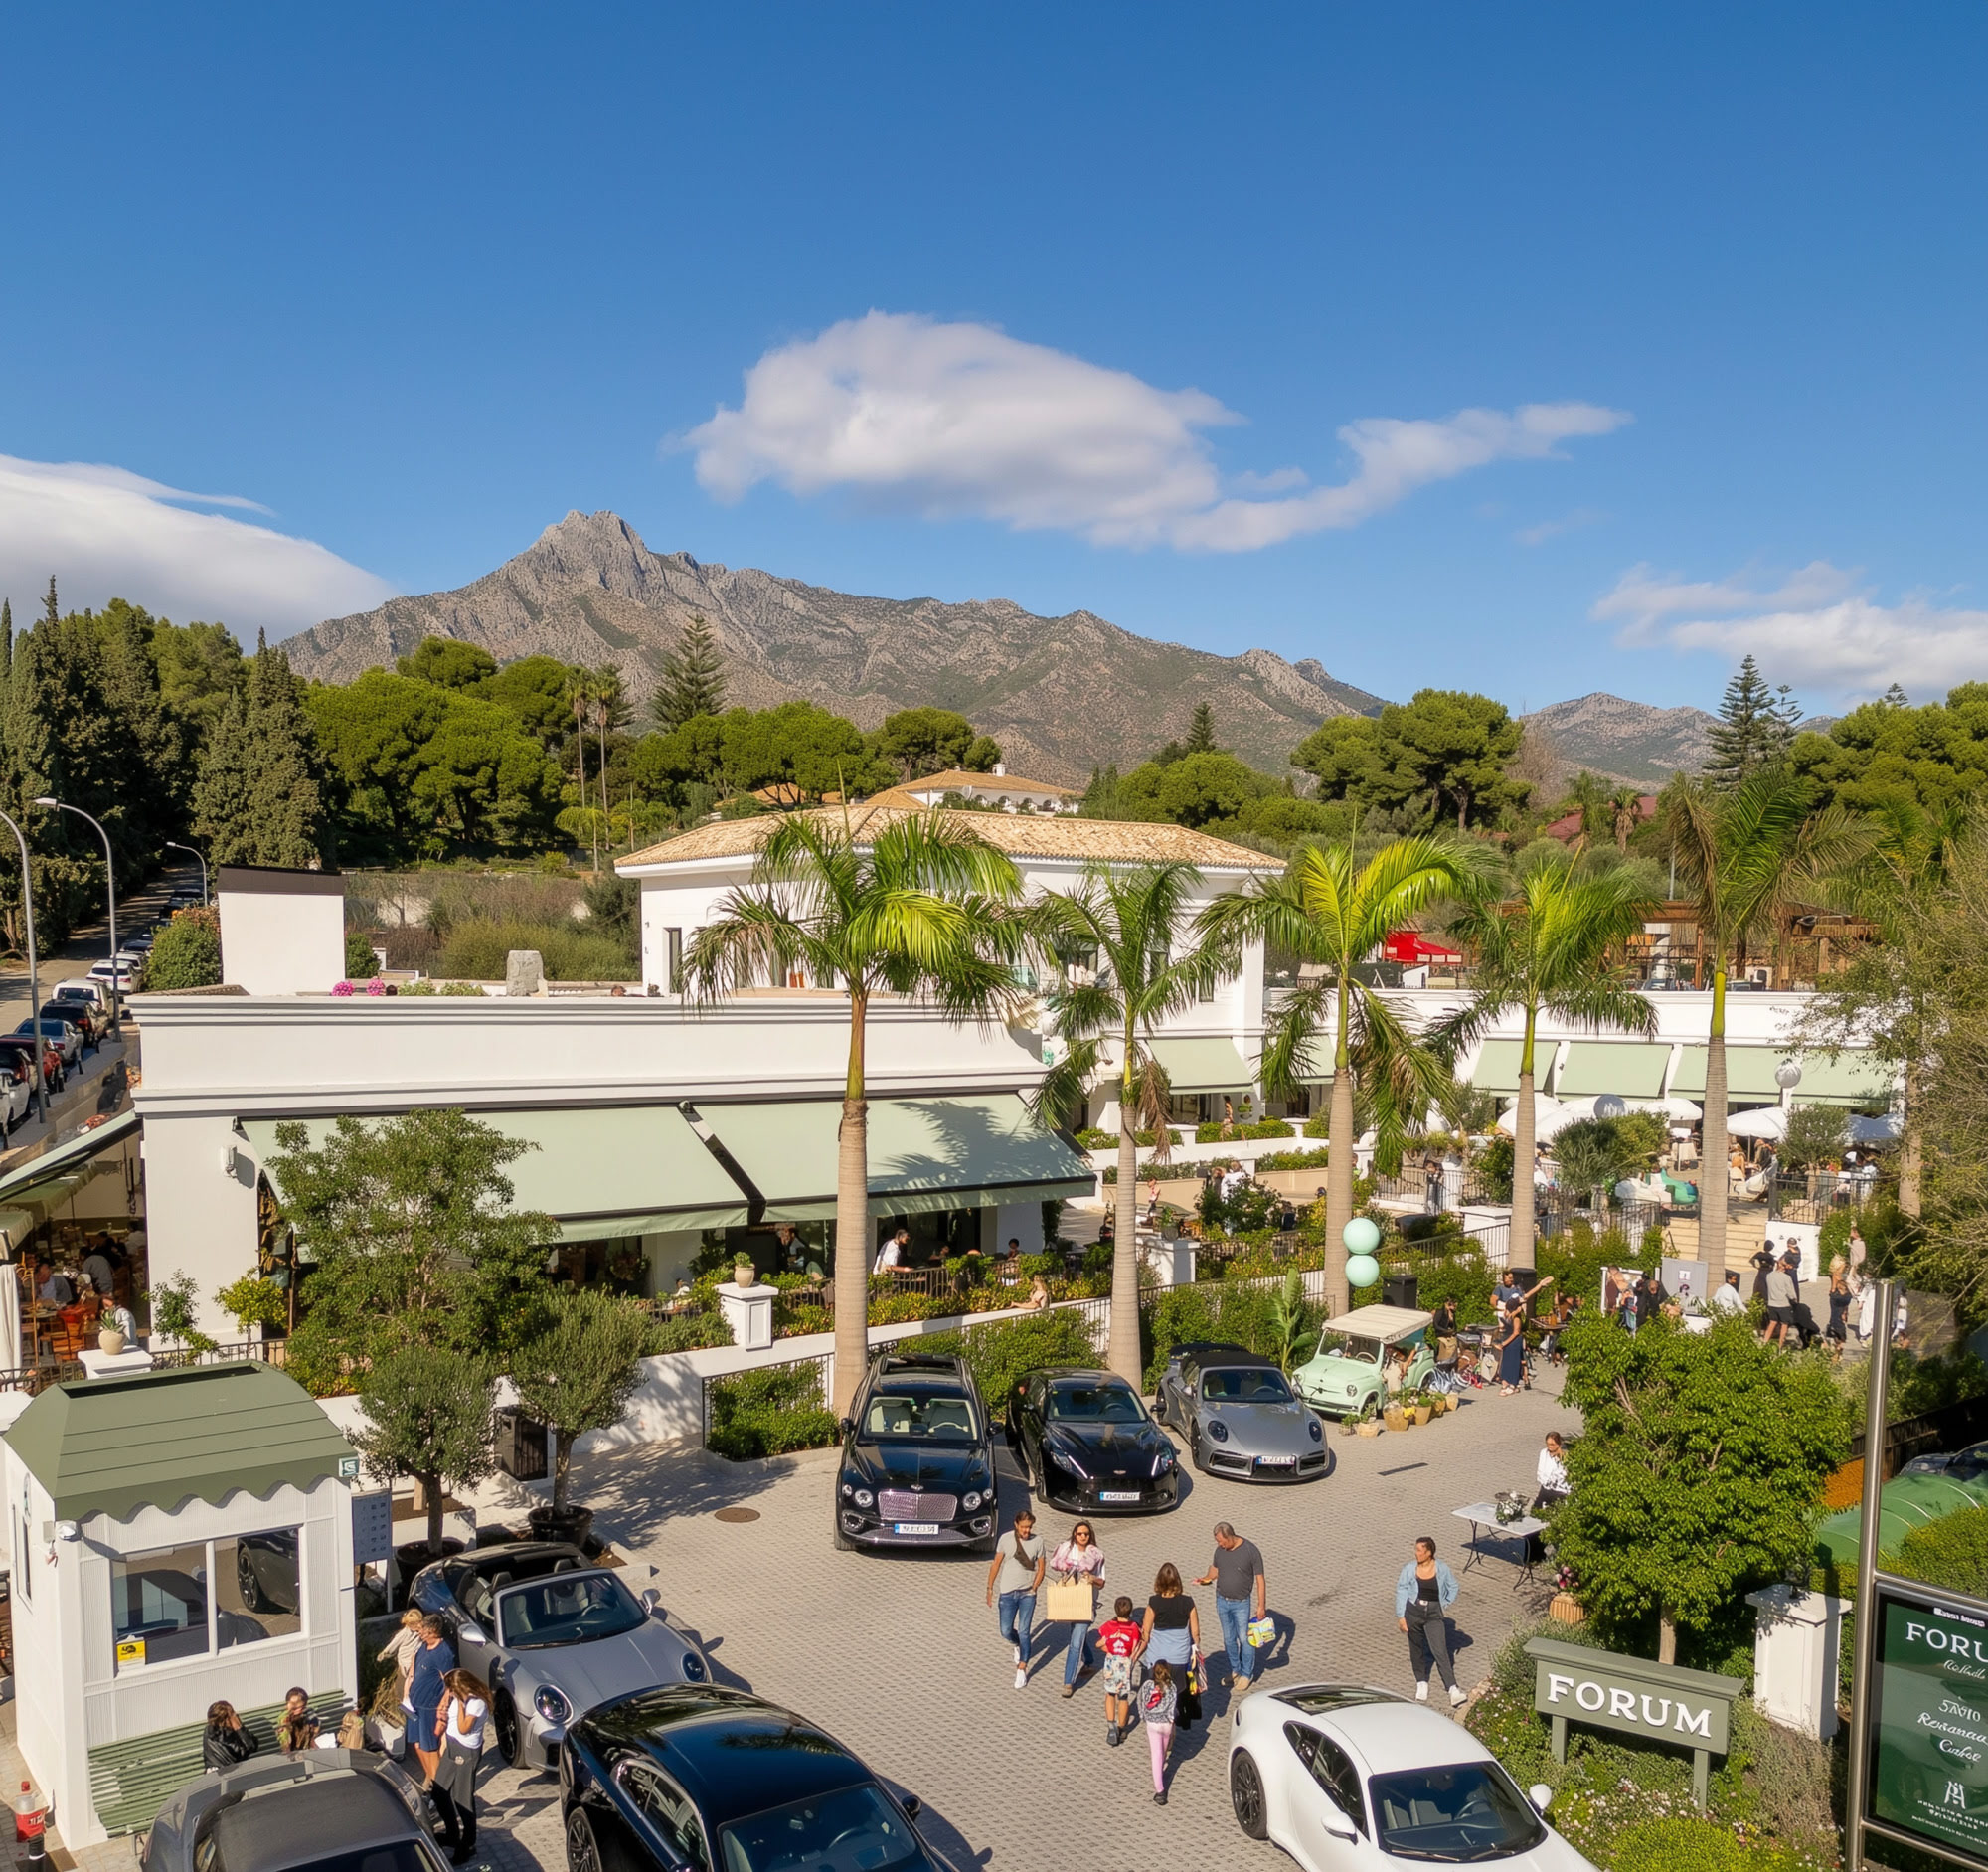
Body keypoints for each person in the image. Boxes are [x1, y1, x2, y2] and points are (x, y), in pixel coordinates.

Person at [1195, 1522, 1267, 1700]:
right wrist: (1204, 1579)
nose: (1219, 1545)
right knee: (1228, 1639)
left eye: (1221, 1541)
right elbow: (1214, 1570)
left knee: (1244, 1638)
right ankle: (1235, 1670)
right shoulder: (1220, 1551)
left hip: (1241, 1603)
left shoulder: (1250, 1551)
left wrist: (1261, 1606)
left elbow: (1260, 1580)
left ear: (1229, 1536)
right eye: (1217, 1542)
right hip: (1222, 1601)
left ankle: (1246, 1674)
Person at [1396, 1537, 1463, 1707]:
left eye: (1420, 1550)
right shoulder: (1410, 1569)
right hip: (1414, 1612)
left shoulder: (1442, 1568)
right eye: (1416, 1549)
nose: (1416, 1553)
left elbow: (1453, 1586)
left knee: (1440, 1650)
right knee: (1416, 1649)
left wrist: (1444, 1603)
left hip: (1434, 1615)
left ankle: (1452, 1688)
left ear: (1429, 1552)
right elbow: (1402, 1589)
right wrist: (1401, 1616)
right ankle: (1421, 1682)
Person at [1135, 1563, 1202, 1734]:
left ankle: (1160, 1724)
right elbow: (1195, 1633)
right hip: (1179, 1657)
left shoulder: (1153, 1602)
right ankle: (1176, 1718)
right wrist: (1195, 1652)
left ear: (1158, 1581)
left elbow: (1146, 1634)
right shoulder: (1188, 1602)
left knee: (1159, 1691)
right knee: (1178, 1691)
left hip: (1157, 1658)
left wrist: (1134, 1656)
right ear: (1178, 1581)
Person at [431, 1668, 490, 1863]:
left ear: (460, 1688)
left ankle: (469, 1843)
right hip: (452, 1746)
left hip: (466, 1751)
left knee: (462, 1799)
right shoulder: (456, 1697)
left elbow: (465, 1728)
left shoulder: (476, 1703)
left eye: (452, 1690)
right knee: (439, 1792)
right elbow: (452, 1718)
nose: (449, 1693)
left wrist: (460, 1702)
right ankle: (452, 1833)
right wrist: (445, 1710)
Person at [986, 1511, 1046, 1690]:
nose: (1026, 1531)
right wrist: (989, 1587)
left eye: (1029, 1527)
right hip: (1007, 1592)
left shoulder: (1038, 1542)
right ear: (1016, 1524)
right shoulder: (1005, 1539)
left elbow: (1041, 1568)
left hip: (1028, 1594)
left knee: (1024, 1630)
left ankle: (1022, 1667)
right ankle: (1017, 1644)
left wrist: (1034, 1587)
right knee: (1005, 1630)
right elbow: (996, 1563)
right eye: (1023, 1527)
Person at [1048, 1522, 1107, 1696]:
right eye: (1080, 1533)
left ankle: (1068, 1682)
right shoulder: (1066, 1550)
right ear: (1074, 1534)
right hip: (1069, 1600)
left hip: (1086, 1603)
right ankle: (1089, 1660)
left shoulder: (1096, 1555)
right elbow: (1055, 1565)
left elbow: (1102, 1582)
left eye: (1086, 1534)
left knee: (1075, 1643)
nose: (1083, 1536)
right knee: (1076, 1634)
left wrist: (1092, 1578)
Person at [406, 1614, 456, 1788]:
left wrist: (443, 1705)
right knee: (417, 1743)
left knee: (430, 1747)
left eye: (424, 1631)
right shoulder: (422, 1648)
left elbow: (449, 1682)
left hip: (429, 1707)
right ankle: (429, 1778)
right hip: (414, 1706)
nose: (421, 1634)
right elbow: (413, 1672)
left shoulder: (444, 1653)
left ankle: (439, 1786)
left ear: (434, 1631)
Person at [1096, 1595, 1144, 1747]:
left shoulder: (1109, 1626)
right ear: (1130, 1611)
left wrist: (1107, 1649)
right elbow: (1136, 1647)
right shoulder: (1134, 1628)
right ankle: (1122, 1728)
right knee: (1123, 1697)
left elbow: (1099, 1644)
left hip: (1111, 1662)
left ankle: (1111, 1726)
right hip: (1125, 1663)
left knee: (1110, 1694)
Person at [1141, 1661, 1179, 1805]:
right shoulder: (1172, 1687)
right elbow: (1172, 1707)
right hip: (1166, 1724)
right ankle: (1160, 1775)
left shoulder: (1147, 1686)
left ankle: (1160, 1790)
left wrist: (1144, 1716)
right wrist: (1171, 1720)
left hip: (1152, 1724)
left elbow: (1142, 1702)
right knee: (1162, 1752)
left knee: (1156, 1755)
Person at [378, 1606, 425, 1699]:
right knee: (408, 1677)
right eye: (416, 1624)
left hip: (416, 1657)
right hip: (406, 1660)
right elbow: (394, 1644)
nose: (419, 1626)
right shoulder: (404, 1634)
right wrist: (385, 1653)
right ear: (410, 1625)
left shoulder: (420, 1631)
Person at [203, 1700, 258, 1771]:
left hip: (226, 1772)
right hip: (224, 1774)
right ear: (225, 1719)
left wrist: (239, 1729)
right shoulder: (216, 1734)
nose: (235, 1714)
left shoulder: (228, 1731)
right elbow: (250, 1747)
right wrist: (239, 1727)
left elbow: (253, 1746)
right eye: (232, 1713)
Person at [1763, 1252, 1799, 1347]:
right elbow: (1791, 1294)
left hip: (1772, 1303)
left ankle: (1765, 1342)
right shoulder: (1786, 1278)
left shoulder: (1769, 1276)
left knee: (1772, 1323)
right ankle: (1780, 1345)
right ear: (1786, 1266)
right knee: (1784, 1325)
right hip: (1783, 1305)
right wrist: (1795, 1300)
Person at [276, 1686, 318, 1754]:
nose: (298, 1711)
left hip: (308, 1750)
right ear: (287, 1706)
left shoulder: (308, 1716)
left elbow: (312, 1740)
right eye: (295, 1708)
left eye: (302, 1707)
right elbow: (286, 1746)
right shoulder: (285, 1719)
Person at [1534, 1432, 1569, 1512]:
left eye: (1552, 1444)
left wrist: (1560, 1457)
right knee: (1535, 1512)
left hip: (1561, 1492)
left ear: (1559, 1444)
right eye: (1548, 1444)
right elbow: (1540, 1470)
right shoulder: (1543, 1453)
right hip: (1545, 1489)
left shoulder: (1565, 1457)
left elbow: (1563, 1475)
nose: (1549, 1447)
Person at [1827, 1257, 1854, 1350]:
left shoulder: (1838, 1275)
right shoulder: (1840, 1275)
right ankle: (1838, 1340)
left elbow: (1834, 1288)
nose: (1844, 1267)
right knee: (1838, 1317)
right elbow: (1835, 1288)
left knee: (1835, 1316)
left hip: (1839, 1297)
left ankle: (1834, 1339)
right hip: (1842, 1297)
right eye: (1843, 1266)